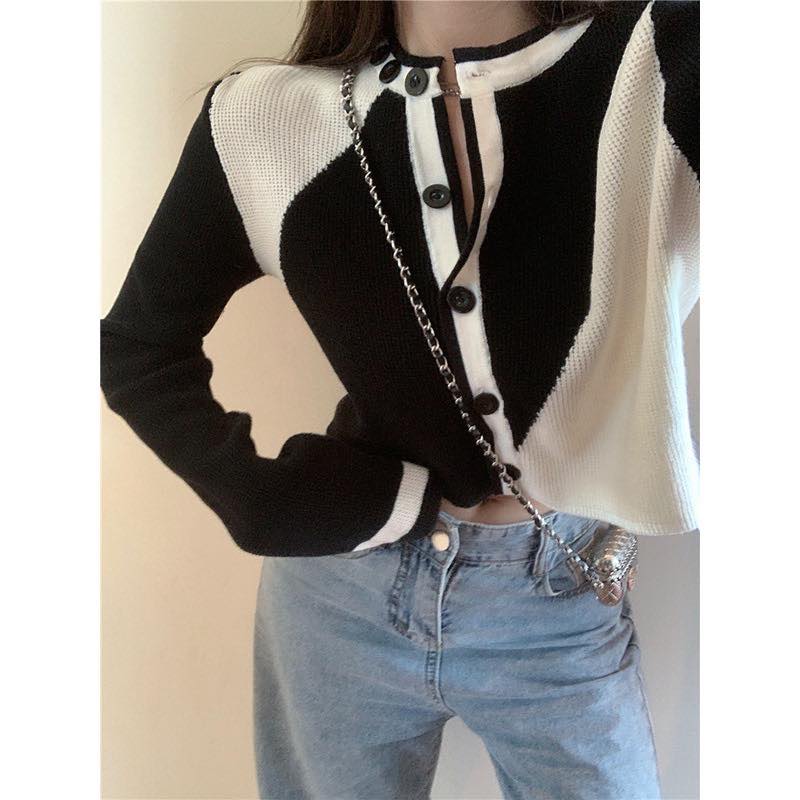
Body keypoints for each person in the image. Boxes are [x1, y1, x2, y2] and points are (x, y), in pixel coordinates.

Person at [100, 0, 699, 797]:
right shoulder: (264, 121)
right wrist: (258, 500)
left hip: (556, 592)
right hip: (337, 598)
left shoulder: (661, 61)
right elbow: (137, 346)